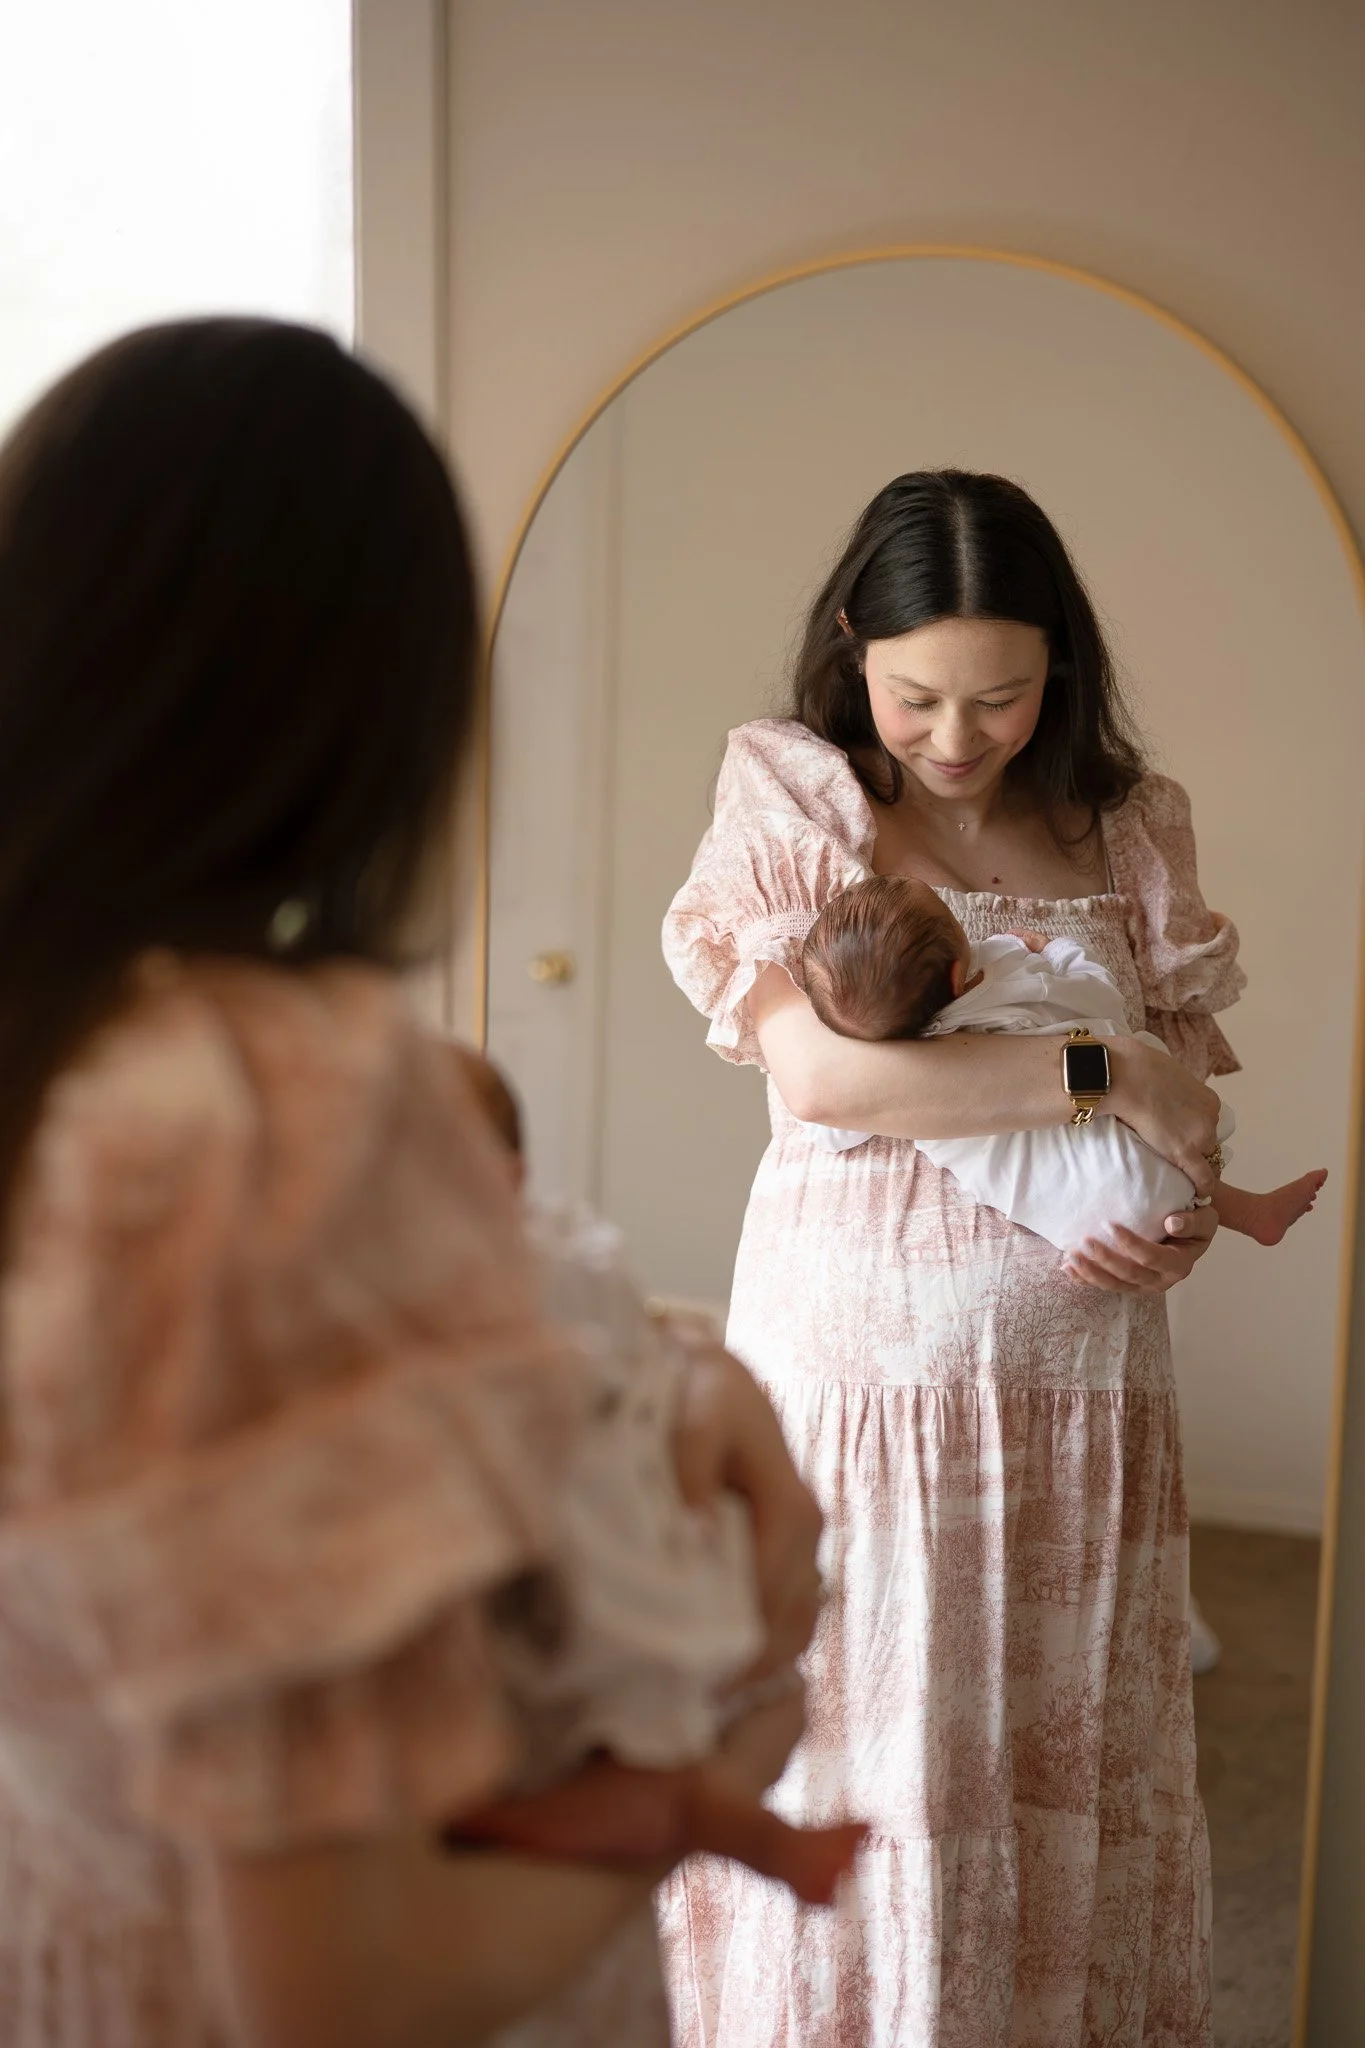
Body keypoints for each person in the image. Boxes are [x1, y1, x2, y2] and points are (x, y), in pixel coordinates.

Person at [0, 318, 824, 2048]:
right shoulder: (267, 1116)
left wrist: (674, 1361)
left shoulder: (74, 1056)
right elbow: (344, 1978)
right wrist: (704, 1786)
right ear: (391, 696)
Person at [659, 469, 1241, 2046]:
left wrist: (1181, 1211)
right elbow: (830, 1083)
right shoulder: (801, 801)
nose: (957, 735)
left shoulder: (1129, 827)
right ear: (853, 645)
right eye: (917, 695)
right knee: (869, 1761)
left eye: (1001, 694)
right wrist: (1103, 1071)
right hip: (862, 1380)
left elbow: (1196, 1097)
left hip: (1086, 1391)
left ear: (1060, 669)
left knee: (1052, 1766)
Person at [440, 1044, 867, 1902]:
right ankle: (734, 1826)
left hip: (630, 1526)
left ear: (507, 1182)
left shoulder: (537, 1263)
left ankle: (672, 1808)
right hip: (617, 1537)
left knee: (620, 1680)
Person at [798, 873, 1326, 1251]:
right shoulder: (1010, 972)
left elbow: (830, 1125)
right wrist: (1057, 950)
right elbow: (1103, 1003)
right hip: (1149, 1162)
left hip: (1084, 1218)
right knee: (1158, 1132)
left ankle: (1249, 1212)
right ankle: (1249, 1212)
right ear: (960, 974)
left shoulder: (896, 1079)